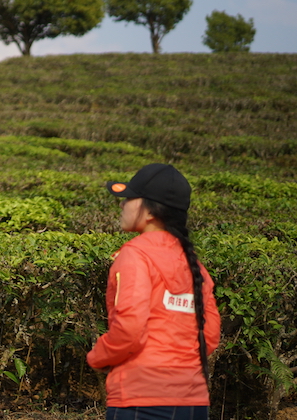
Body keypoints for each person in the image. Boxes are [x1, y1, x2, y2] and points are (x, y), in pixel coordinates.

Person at [88, 163, 221, 420]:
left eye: (128, 198)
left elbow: (130, 329)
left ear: (149, 211)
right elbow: (211, 335)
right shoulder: (195, 265)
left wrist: (98, 355)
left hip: (141, 399)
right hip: (193, 402)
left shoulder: (135, 256)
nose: (122, 205)